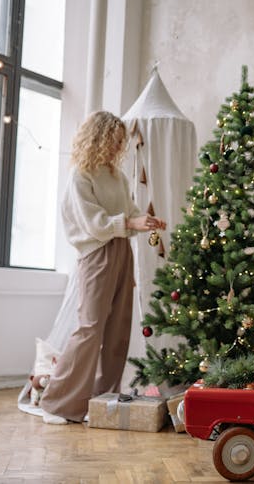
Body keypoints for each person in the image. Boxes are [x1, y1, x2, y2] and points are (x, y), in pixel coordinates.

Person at [39, 111, 166, 424]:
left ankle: (99, 401)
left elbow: (131, 210)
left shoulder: (117, 175)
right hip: (96, 254)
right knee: (90, 327)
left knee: (118, 330)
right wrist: (129, 222)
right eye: (112, 141)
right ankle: (57, 403)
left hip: (122, 250)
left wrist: (143, 221)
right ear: (97, 139)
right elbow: (93, 223)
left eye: (119, 143)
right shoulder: (80, 176)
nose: (116, 148)